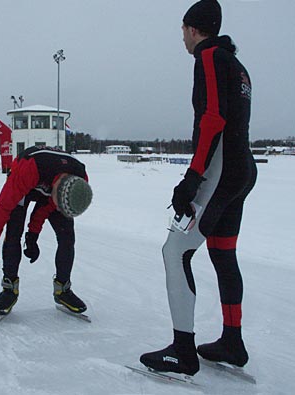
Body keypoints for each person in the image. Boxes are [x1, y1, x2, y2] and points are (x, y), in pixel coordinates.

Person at [140, 0, 257, 376]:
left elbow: (212, 119)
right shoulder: (238, 67)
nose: (182, 38)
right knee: (223, 254)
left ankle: (182, 350)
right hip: (241, 172)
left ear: (193, 29)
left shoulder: (207, 56)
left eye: (183, 30)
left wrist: (193, 178)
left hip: (219, 174)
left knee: (174, 251)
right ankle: (232, 342)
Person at [0, 146, 93, 316]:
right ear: (55, 189)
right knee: (13, 233)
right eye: (57, 203)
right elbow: (3, 207)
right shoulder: (29, 169)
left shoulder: (80, 179)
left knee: (67, 236)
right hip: (28, 178)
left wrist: (33, 235)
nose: (57, 207)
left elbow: (47, 206)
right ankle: (9, 289)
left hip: (52, 184)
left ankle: (62, 290)